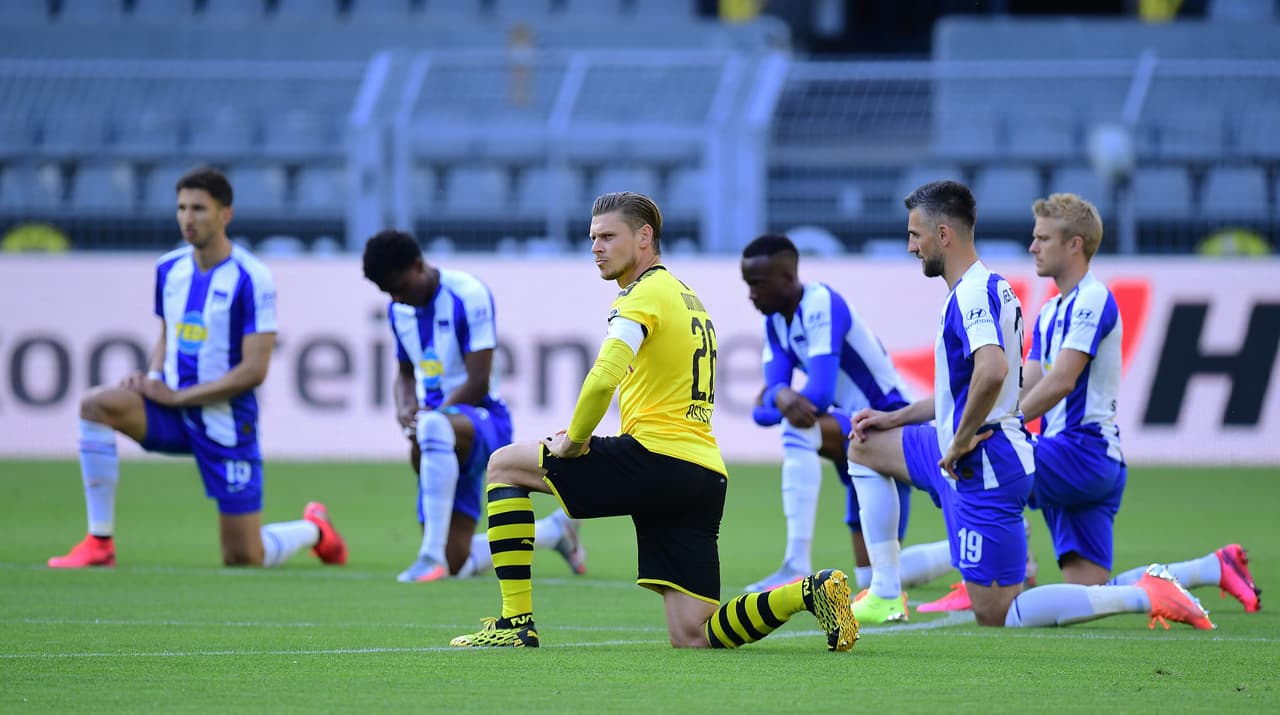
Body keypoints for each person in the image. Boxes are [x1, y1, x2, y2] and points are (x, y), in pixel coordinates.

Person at [450, 191, 858, 650]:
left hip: (656, 459)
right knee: (693, 634)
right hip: (702, 475)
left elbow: (603, 378)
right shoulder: (688, 298)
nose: (596, 248)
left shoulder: (642, 297)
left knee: (505, 465)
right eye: (592, 238)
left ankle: (514, 622)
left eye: (608, 236)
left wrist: (574, 441)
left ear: (644, 237)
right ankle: (808, 592)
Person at [846, 180, 1214, 630]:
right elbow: (984, 387)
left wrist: (961, 439)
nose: (910, 247)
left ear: (944, 234)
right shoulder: (989, 289)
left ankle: (1143, 595)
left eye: (915, 235)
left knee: (998, 615)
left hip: (989, 461)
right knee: (866, 442)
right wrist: (896, 416)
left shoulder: (976, 293)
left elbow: (995, 372)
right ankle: (885, 591)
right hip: (974, 450)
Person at [919, 193, 1261, 615]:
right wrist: (999, 413)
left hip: (1082, 451)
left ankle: (981, 571)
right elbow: (1029, 381)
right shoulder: (1049, 311)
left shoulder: (1093, 299)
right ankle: (1211, 567)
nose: (1033, 247)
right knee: (1093, 592)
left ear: (1074, 245)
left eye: (1043, 238)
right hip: (1080, 461)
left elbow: (1062, 381)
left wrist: (997, 424)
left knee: (988, 467)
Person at [47, 166, 346, 569]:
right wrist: (152, 378)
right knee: (97, 405)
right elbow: (168, 333)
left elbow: (255, 370)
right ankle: (100, 542)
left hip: (225, 421)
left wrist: (178, 395)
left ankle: (316, 530)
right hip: (170, 412)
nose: (188, 218)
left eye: (199, 209)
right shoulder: (170, 269)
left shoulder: (252, 277)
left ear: (226, 215)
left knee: (243, 558)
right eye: (182, 208)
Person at [739, 233, 952, 622]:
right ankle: (964, 551)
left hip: (887, 421)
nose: (750, 294)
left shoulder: (821, 303)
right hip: (850, 427)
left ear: (787, 278)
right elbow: (766, 410)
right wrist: (781, 397)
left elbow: (814, 395)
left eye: (757, 283)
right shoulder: (775, 323)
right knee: (874, 578)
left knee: (799, 430)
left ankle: (795, 563)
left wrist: (779, 396)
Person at [361, 229, 586, 583]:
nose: (397, 297)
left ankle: (427, 557)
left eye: (400, 286)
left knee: (432, 428)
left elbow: (478, 381)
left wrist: (432, 417)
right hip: (439, 438)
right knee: (457, 565)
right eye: (388, 292)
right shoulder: (399, 311)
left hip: (483, 420)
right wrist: (404, 407)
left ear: (419, 266)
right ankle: (556, 532)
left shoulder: (468, 294)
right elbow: (404, 373)